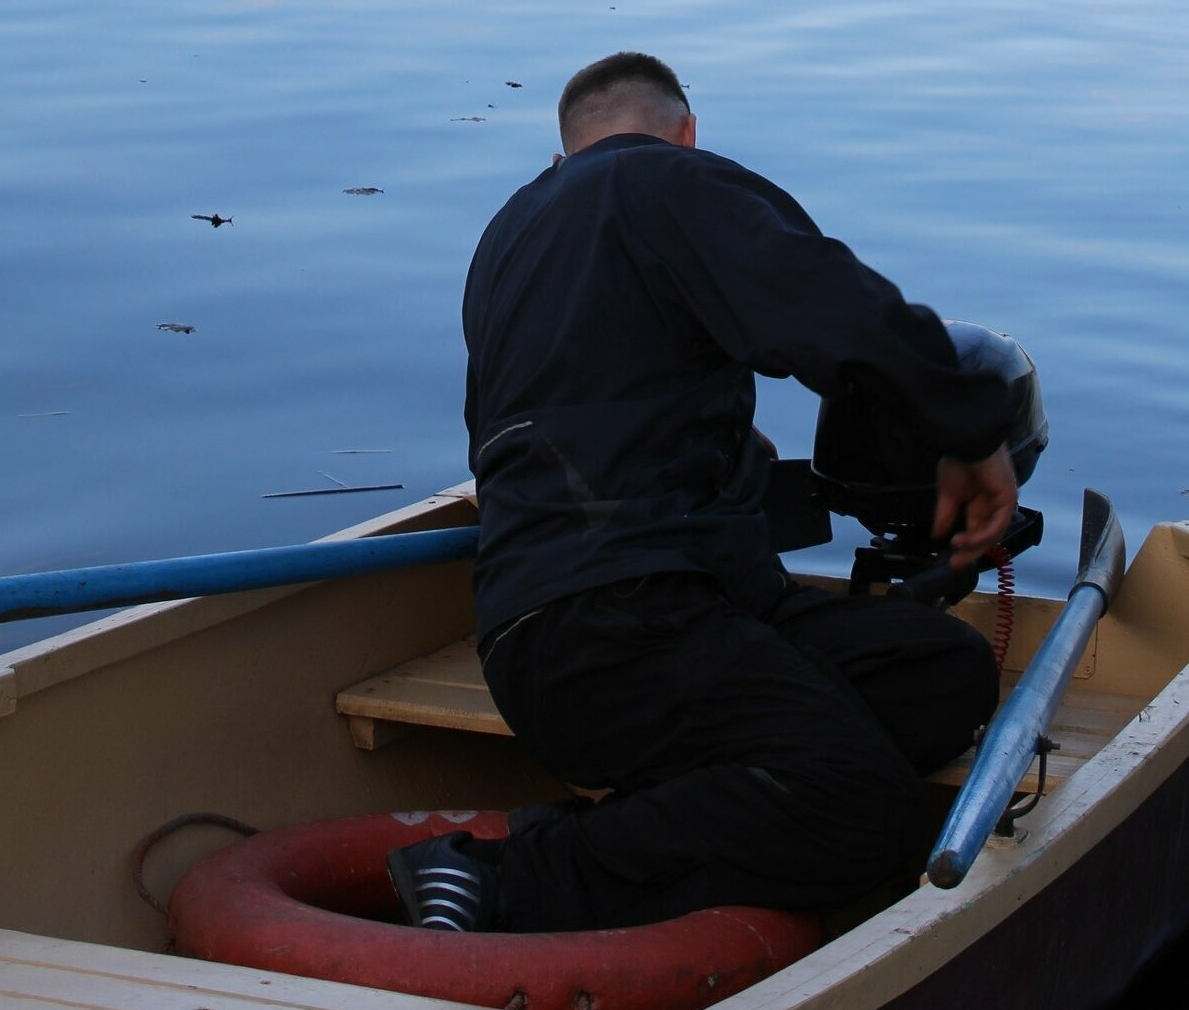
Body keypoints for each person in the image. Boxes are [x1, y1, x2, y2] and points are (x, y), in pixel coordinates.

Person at [386, 50, 1018, 936]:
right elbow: (835, 310)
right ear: (685, 133)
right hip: (619, 621)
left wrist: (720, 434)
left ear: (564, 151)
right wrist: (968, 426)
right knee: (869, 813)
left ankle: (713, 792)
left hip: (563, 621)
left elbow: (572, 400)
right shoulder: (666, 183)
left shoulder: (510, 236)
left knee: (939, 674)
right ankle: (503, 874)